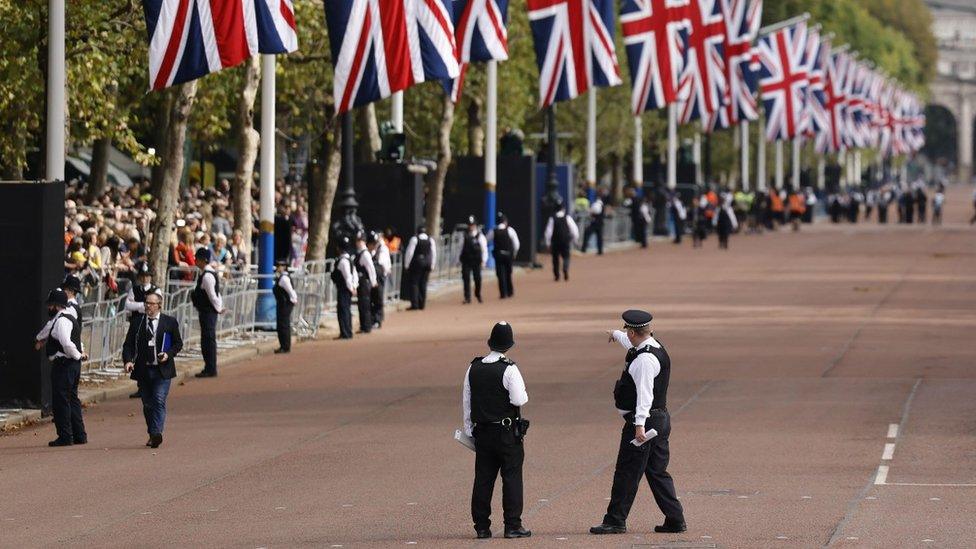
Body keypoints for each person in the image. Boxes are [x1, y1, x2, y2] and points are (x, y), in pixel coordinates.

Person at [590, 310, 685, 536]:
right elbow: (630, 343)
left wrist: (639, 426)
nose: (626, 335)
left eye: (626, 332)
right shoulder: (651, 346)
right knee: (657, 471)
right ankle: (675, 518)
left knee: (627, 471)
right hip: (660, 420)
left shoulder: (644, 360)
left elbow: (645, 396)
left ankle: (615, 520)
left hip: (644, 421)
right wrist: (615, 334)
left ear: (633, 332)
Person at [462, 321, 531, 539]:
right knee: (511, 477)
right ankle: (512, 525)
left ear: (490, 342)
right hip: (507, 432)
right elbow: (519, 399)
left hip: (482, 431)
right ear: (509, 344)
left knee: (483, 478)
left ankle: (481, 526)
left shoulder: (473, 366)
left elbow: (467, 400)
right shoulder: (510, 368)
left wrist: (469, 429)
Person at [122, 290, 183, 448]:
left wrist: (168, 354)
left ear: (159, 305)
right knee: (148, 404)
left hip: (162, 370)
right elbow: (128, 344)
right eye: (146, 303)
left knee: (158, 400)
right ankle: (152, 433)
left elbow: (178, 344)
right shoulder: (138, 323)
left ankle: (157, 433)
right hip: (143, 370)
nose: (148, 306)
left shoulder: (169, 322)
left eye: (151, 303)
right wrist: (128, 361)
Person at [38, 289, 88, 447]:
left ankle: (65, 436)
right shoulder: (66, 317)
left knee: (61, 401)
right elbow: (48, 329)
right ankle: (79, 434)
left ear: (55, 306)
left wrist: (77, 355)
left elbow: (67, 343)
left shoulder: (61, 321)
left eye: (50, 305)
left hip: (64, 364)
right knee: (72, 399)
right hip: (72, 365)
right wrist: (39, 339)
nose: (48, 308)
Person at [191, 248, 223, 377]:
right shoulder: (206, 274)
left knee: (208, 340)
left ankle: (210, 368)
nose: (195, 261)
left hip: (208, 312)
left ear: (203, 260)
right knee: (207, 339)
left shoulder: (208, 276)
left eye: (197, 259)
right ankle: (209, 367)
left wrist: (218, 308)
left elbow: (213, 295)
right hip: (207, 311)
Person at [331, 236, 358, 340]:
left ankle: (346, 332)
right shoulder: (349, 259)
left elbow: (348, 277)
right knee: (346, 310)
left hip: (344, 289)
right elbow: (354, 275)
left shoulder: (343, 261)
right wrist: (354, 286)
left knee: (343, 311)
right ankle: (347, 331)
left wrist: (351, 288)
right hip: (347, 289)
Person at [404, 225, 436, 310]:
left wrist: (406, 265)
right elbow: (433, 253)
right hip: (427, 264)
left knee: (414, 284)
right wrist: (432, 264)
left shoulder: (414, 239)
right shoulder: (430, 240)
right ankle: (422, 304)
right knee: (423, 283)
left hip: (417, 264)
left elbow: (409, 253)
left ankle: (415, 304)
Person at [543, 205, 579, 282]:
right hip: (565, 240)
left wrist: (548, 243)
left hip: (555, 241)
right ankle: (565, 268)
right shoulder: (567, 217)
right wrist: (575, 240)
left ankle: (557, 275)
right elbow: (574, 229)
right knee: (566, 256)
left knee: (555, 258)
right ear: (563, 209)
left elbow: (548, 232)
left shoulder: (552, 218)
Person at [489, 212, 519, 299]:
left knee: (500, 274)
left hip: (498, 255)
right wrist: (515, 253)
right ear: (505, 221)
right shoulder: (510, 230)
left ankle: (503, 293)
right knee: (508, 273)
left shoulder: (493, 231)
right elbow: (516, 244)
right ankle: (510, 291)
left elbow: (486, 239)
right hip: (508, 255)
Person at [459, 216, 488, 303]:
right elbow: (460, 248)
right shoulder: (464, 236)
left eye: (472, 225)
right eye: (469, 225)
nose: (471, 226)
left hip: (476, 261)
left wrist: (484, 260)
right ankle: (467, 297)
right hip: (466, 260)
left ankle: (477, 293)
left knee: (478, 279)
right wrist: (458, 260)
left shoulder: (480, 236)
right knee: (466, 278)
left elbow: (484, 249)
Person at [354, 231, 377, 333]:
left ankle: (367, 326)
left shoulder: (365, 254)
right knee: (362, 305)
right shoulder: (359, 253)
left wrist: (373, 281)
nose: (358, 243)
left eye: (360, 241)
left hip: (365, 282)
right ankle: (363, 325)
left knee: (365, 304)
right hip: (361, 282)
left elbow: (370, 268)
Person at [367, 231, 392, 328]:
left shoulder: (382, 249)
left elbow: (382, 263)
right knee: (373, 298)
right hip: (376, 275)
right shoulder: (375, 249)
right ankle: (374, 319)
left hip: (380, 276)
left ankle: (378, 319)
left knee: (378, 298)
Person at [273, 259, 298, 353]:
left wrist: (293, 301)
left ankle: (285, 346)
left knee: (283, 325)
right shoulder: (282, 277)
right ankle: (283, 345)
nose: (277, 268)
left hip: (284, 304)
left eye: (279, 266)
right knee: (282, 325)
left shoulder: (284, 278)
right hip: (283, 304)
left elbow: (291, 291)